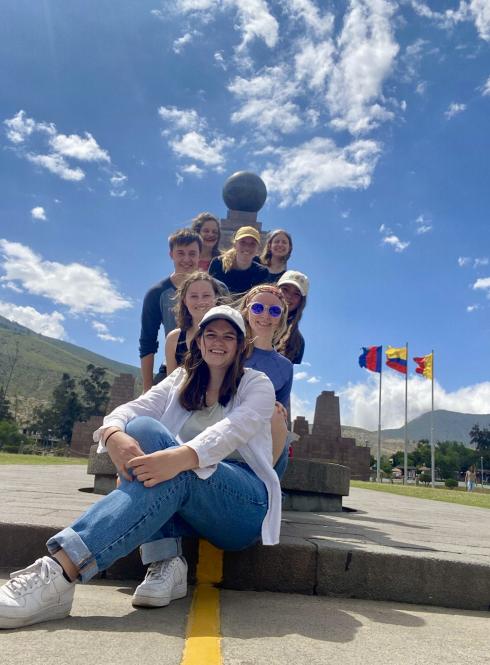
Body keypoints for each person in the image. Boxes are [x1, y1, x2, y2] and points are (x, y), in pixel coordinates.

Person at [0, 306, 281, 629]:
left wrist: (179, 457)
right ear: (200, 342)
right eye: (211, 334)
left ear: (240, 345)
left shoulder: (258, 384)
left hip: (242, 504)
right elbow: (132, 409)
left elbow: (230, 431)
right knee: (142, 428)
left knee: (182, 470)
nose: (219, 342)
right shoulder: (182, 378)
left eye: (228, 336)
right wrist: (112, 433)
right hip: (187, 498)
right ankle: (167, 561)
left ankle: (61, 569)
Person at [240, 284, 293, 478]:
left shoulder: (285, 367)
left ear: (281, 319)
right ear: (246, 312)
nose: (265, 316)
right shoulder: (230, 351)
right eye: (257, 308)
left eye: (274, 311)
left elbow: (281, 409)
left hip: (262, 435)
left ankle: (265, 487)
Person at [139, 228, 202, 392]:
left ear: (199, 255)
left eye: (192, 253)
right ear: (171, 255)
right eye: (181, 253)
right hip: (172, 367)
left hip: (211, 368)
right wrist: (147, 389)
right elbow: (147, 342)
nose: (186, 259)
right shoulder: (157, 293)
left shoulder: (216, 290)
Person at [165, 272, 224, 374]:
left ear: (216, 298)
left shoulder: (231, 335)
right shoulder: (174, 339)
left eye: (206, 295)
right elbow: (170, 384)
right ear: (184, 301)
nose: (200, 301)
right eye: (194, 296)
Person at [209, 226, 270, 295]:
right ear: (235, 244)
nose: (247, 247)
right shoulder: (218, 264)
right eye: (242, 242)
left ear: (258, 249)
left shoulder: (262, 273)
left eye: (252, 244)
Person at [276, 270, 309, 365]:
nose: (289, 296)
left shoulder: (298, 341)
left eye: (296, 294)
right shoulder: (249, 319)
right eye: (285, 289)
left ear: (301, 302)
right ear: (275, 289)